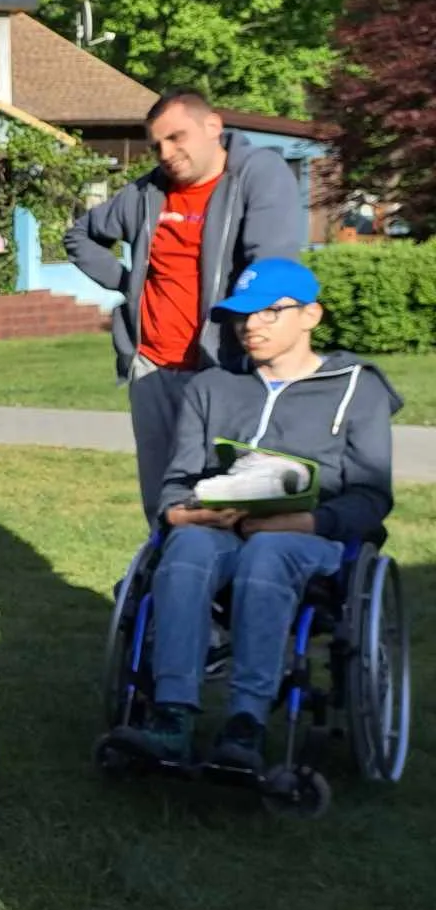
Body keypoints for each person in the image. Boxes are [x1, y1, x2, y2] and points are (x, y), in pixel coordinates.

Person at [110, 257, 399, 771]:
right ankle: (172, 714)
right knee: (187, 551)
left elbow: (372, 494)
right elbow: (178, 481)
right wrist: (183, 516)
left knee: (269, 551)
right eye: (242, 315)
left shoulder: (358, 388)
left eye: (269, 312)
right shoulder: (212, 388)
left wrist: (305, 521)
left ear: (311, 316)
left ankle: (247, 720)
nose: (251, 326)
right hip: (216, 528)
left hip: (307, 535)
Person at [64, 91, 305, 519]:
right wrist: (128, 284)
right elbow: (80, 235)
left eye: (177, 138)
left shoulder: (257, 174)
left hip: (225, 366)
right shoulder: (147, 193)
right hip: (152, 367)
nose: (167, 153)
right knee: (164, 499)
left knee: (231, 496)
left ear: (213, 126)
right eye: (157, 145)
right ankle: (164, 578)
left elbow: (270, 266)